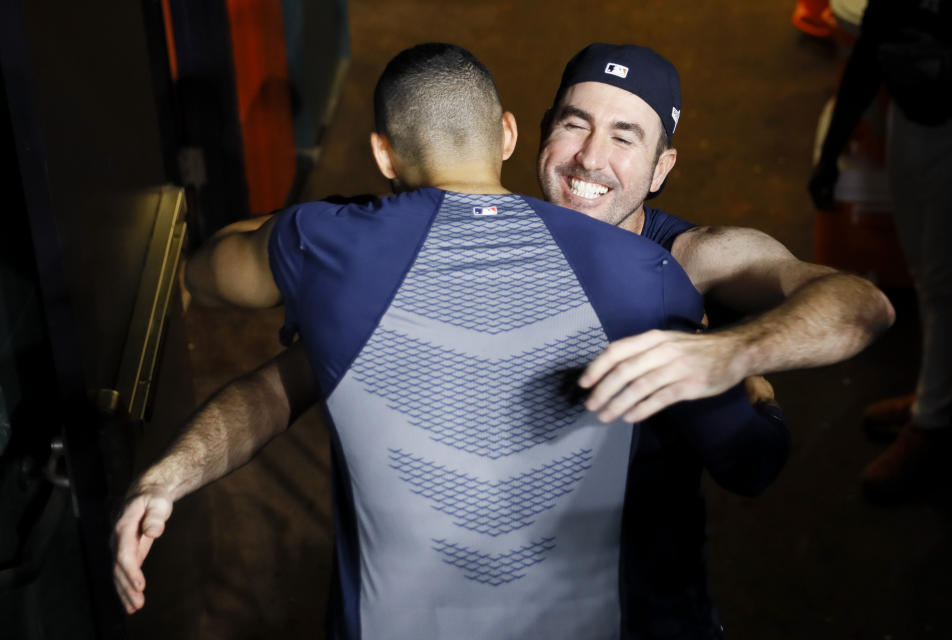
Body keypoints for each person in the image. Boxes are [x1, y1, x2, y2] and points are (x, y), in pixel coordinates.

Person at [114, 43, 789, 639]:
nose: (592, 154)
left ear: (383, 151)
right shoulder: (648, 277)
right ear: (510, 135)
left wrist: (167, 475)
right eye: (577, 126)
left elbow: (209, 283)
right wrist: (739, 361)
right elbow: (753, 459)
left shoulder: (324, 247)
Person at [537, 43, 895, 424]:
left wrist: (729, 353)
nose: (590, 158)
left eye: (623, 138)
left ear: (661, 168)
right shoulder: (492, 234)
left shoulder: (693, 257)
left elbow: (864, 306)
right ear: (545, 131)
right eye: (574, 125)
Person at [808, 0, 952, 501]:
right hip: (915, 119)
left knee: (944, 284)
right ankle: (938, 398)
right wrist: (830, 155)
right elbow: (871, 48)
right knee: (927, 271)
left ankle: (934, 426)